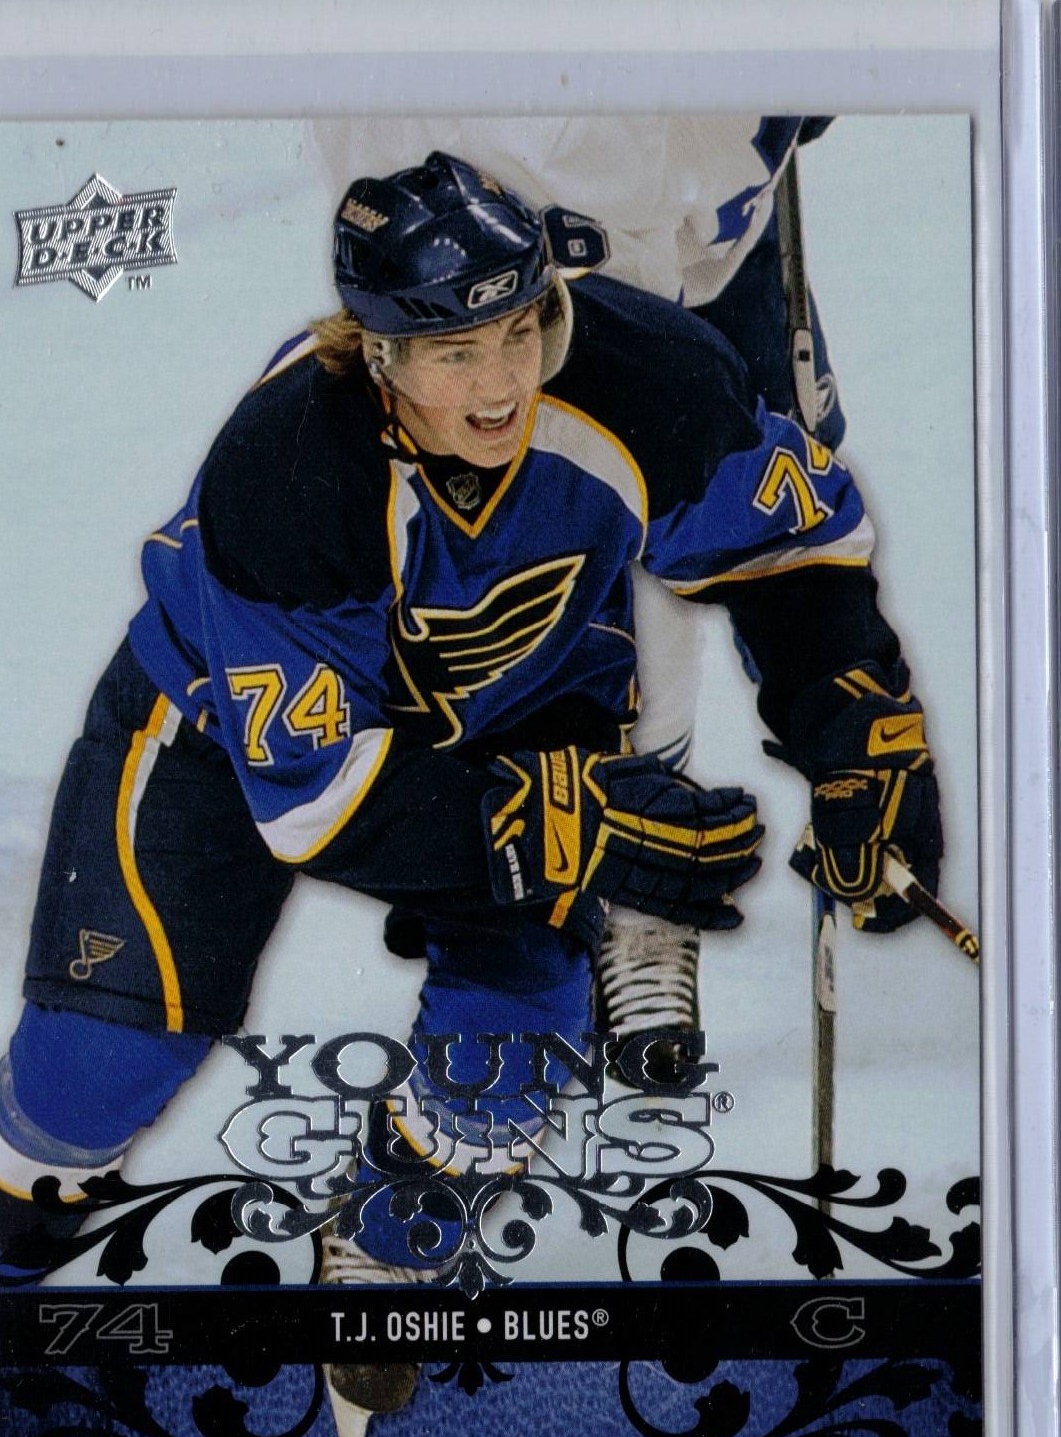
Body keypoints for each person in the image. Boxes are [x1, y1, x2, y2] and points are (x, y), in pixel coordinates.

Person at [0, 151, 943, 1437]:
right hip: (215, 731)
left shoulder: (649, 378)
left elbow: (791, 552)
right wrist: (569, 823)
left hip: (517, 719)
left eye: (517, 329)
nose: (498, 382)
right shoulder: (286, 468)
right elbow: (315, 802)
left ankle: (385, 1230)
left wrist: (859, 732)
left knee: (509, 1060)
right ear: (375, 353)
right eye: (450, 350)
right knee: (87, 1081)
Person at [309, 116, 844, 1068]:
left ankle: (640, 893)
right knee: (474, 533)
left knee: (695, 507)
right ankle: (516, 877)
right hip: (481, 185)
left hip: (653, 222)